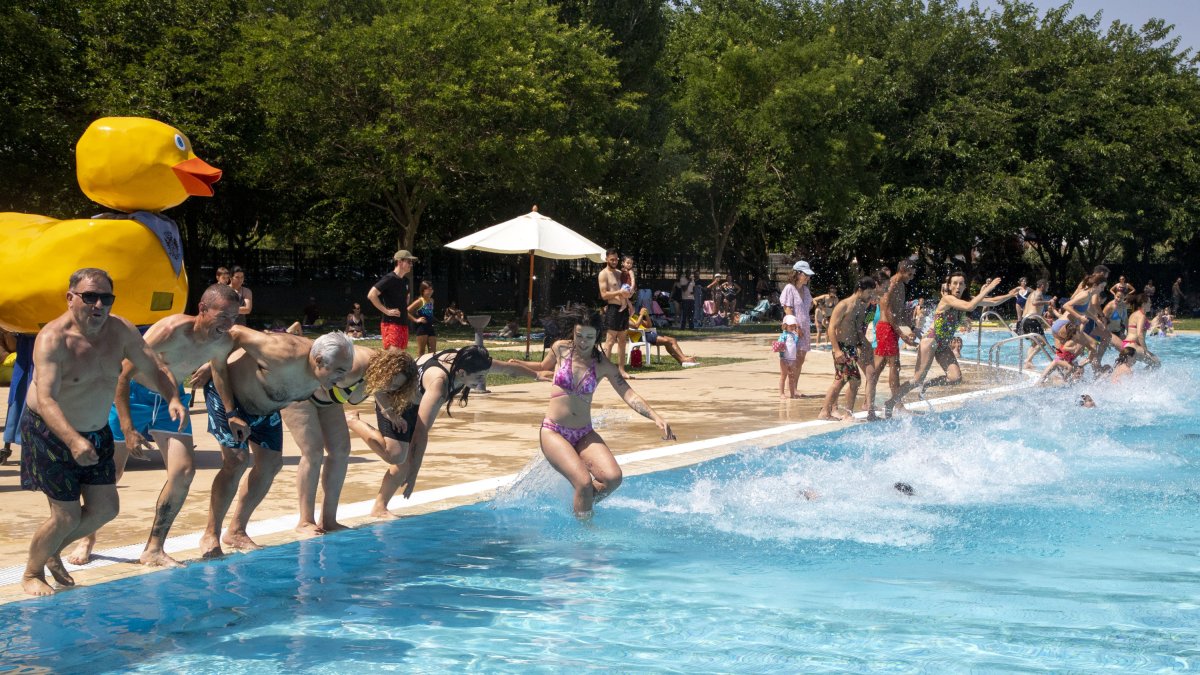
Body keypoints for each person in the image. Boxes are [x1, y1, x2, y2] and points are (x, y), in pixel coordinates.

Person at [19, 268, 184, 595]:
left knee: (106, 508)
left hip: (95, 430)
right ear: (70, 298)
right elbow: (46, 398)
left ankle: (51, 550)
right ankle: (31, 573)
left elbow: (154, 367)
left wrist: (173, 398)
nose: (98, 304)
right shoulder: (53, 339)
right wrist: (72, 440)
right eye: (89, 297)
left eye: (105, 298)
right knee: (65, 516)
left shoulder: (120, 331)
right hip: (51, 433)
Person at [67, 283, 242, 568]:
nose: (229, 323)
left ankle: (154, 548)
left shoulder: (222, 341)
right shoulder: (170, 331)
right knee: (111, 474)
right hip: (133, 396)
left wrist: (231, 412)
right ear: (202, 309)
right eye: (223, 316)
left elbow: (220, 372)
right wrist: (128, 428)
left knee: (184, 472)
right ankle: (87, 537)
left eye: (234, 317)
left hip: (171, 400)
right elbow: (123, 375)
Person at [197, 329, 354, 557]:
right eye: (339, 371)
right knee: (237, 461)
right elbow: (235, 332)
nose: (342, 378)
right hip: (230, 398)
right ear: (319, 360)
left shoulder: (328, 361)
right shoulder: (282, 352)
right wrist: (214, 362)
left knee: (271, 464)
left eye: (345, 371)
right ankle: (210, 534)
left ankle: (236, 531)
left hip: (265, 407)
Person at [517, 308, 674, 518]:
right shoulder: (561, 348)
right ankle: (585, 527)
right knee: (583, 483)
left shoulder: (602, 364)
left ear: (597, 336)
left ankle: (579, 509)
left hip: (583, 432)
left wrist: (655, 416)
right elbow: (541, 366)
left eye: (589, 337)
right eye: (579, 335)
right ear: (573, 332)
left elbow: (628, 394)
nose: (583, 342)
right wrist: (518, 364)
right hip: (554, 430)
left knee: (613, 478)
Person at [352, 346, 529, 517]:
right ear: (461, 373)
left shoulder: (470, 361)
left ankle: (379, 508)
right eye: (478, 377)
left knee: (403, 463)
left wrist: (538, 374)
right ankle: (353, 421)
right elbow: (420, 433)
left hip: (415, 403)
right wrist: (414, 472)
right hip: (394, 400)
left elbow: (509, 369)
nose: (482, 380)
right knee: (396, 455)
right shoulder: (439, 384)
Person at [282, 346, 417, 535]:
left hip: (328, 400)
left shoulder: (377, 371)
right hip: (300, 393)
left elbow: (377, 386)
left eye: (396, 387)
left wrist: (390, 413)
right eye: (392, 383)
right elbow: (318, 368)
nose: (391, 389)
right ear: (386, 370)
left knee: (341, 451)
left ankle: (328, 520)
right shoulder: (355, 366)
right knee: (313, 452)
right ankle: (305, 521)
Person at [885, 272, 1017, 415]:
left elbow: (992, 301)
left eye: (961, 283)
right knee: (917, 379)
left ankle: (928, 384)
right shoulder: (947, 299)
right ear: (949, 286)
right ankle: (892, 402)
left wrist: (1010, 295)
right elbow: (970, 307)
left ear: (965, 286)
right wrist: (988, 288)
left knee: (955, 378)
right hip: (931, 340)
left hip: (943, 345)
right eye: (954, 283)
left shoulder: (966, 300)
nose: (958, 286)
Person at [863, 260, 918, 420]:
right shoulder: (892, 284)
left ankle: (871, 407)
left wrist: (911, 328)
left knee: (879, 369)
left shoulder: (900, 285)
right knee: (893, 367)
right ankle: (896, 405)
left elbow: (899, 311)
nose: (912, 277)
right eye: (910, 274)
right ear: (902, 270)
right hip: (886, 328)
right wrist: (901, 334)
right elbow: (887, 310)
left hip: (889, 329)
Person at [817, 277, 878, 421]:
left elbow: (858, 330)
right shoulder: (843, 305)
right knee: (851, 380)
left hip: (851, 348)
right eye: (869, 292)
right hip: (841, 347)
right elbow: (831, 328)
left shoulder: (861, 307)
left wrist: (866, 345)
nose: (870, 295)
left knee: (842, 381)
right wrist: (837, 350)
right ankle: (841, 413)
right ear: (860, 290)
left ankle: (830, 412)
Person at [369, 250, 417, 350]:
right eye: (409, 262)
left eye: (411, 262)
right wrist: (386, 311)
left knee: (401, 356)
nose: (411, 264)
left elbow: (406, 298)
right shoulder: (389, 278)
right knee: (393, 356)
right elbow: (371, 295)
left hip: (403, 324)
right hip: (391, 324)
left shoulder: (406, 281)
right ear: (400, 262)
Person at [599, 249, 634, 379]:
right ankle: (606, 371)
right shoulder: (603, 274)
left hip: (623, 309)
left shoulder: (620, 273)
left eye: (616, 259)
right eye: (612, 259)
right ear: (606, 259)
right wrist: (619, 292)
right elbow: (604, 295)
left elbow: (627, 290)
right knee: (610, 341)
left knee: (622, 341)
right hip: (613, 309)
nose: (614, 262)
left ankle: (621, 370)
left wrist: (630, 304)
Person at [779, 261, 815, 375]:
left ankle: (794, 385)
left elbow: (809, 305)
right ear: (798, 273)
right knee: (792, 361)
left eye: (809, 275)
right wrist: (796, 327)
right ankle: (790, 385)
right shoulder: (789, 288)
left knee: (800, 361)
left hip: (805, 330)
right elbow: (787, 309)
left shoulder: (806, 290)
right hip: (794, 330)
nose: (808, 277)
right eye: (806, 274)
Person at [630, 308, 699, 367]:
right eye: (630, 308)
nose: (632, 309)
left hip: (648, 334)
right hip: (640, 337)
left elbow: (649, 325)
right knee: (666, 341)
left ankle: (684, 358)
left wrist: (646, 315)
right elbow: (636, 326)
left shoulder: (634, 317)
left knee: (673, 340)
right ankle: (681, 360)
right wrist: (641, 315)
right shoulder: (627, 319)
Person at [1017, 279, 1053, 369]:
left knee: (1034, 343)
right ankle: (1028, 360)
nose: (1048, 288)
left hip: (1025, 320)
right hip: (1032, 320)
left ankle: (1028, 363)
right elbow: (1034, 303)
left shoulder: (1031, 294)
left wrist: (1042, 320)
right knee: (1043, 342)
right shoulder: (1038, 293)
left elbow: (1030, 307)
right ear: (1042, 286)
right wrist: (1047, 302)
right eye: (1047, 286)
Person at [407, 280, 437, 356]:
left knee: (433, 351)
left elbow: (429, 313)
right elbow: (406, 311)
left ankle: (431, 363)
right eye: (428, 289)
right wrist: (416, 320)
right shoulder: (420, 301)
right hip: (422, 328)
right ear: (423, 290)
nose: (430, 291)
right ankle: (418, 364)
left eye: (431, 289)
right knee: (421, 351)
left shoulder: (432, 300)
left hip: (430, 327)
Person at [776, 315, 803, 399]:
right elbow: (779, 345)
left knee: (792, 377)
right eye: (790, 326)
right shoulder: (783, 336)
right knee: (783, 376)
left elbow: (795, 345)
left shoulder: (794, 335)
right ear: (785, 326)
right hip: (784, 359)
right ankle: (781, 393)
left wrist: (798, 329)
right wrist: (781, 354)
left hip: (792, 359)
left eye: (793, 326)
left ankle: (792, 394)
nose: (792, 327)